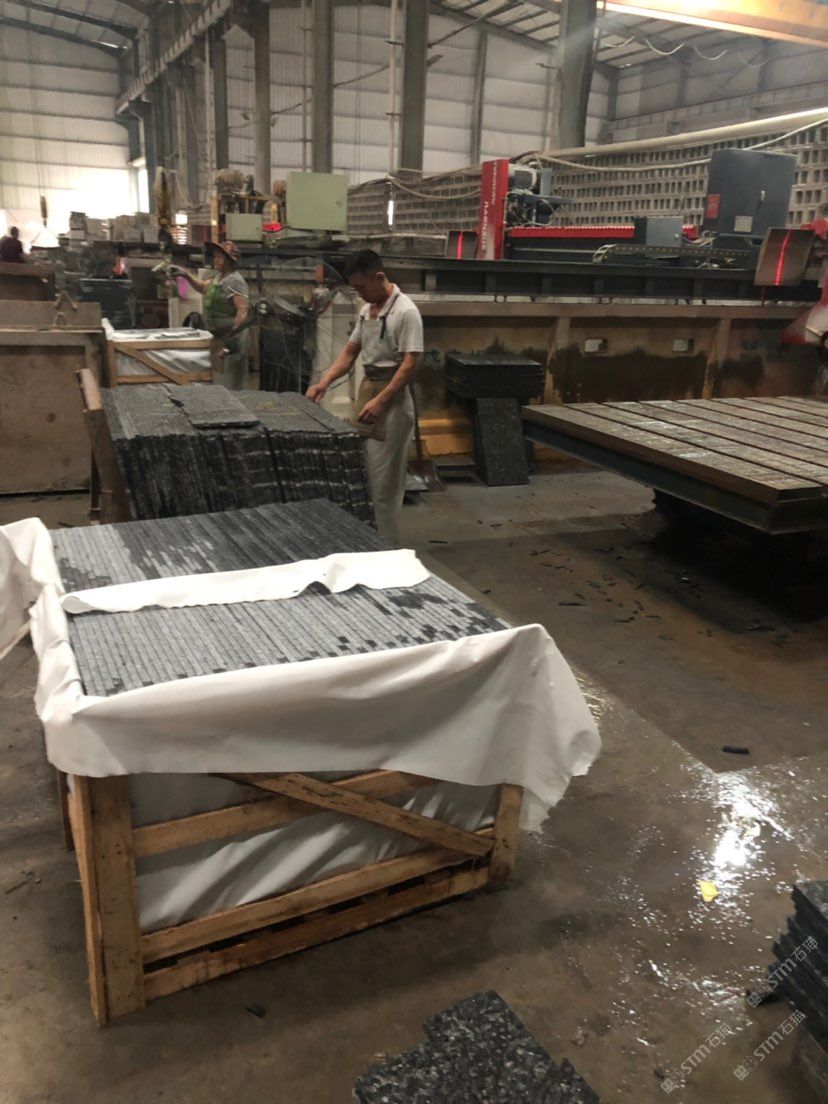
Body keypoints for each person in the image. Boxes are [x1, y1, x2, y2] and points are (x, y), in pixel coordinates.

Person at [307, 249, 423, 542]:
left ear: (379, 277)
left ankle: (385, 547)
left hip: (392, 403)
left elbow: (410, 363)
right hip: (368, 395)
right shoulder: (366, 310)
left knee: (384, 485)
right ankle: (367, 540)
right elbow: (350, 352)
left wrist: (381, 400)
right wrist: (323, 382)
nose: (359, 293)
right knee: (366, 476)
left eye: (361, 287)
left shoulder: (406, 312)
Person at [172, 240, 250, 389]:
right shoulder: (218, 278)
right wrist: (185, 275)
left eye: (219, 257)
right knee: (219, 382)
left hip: (231, 341)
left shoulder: (235, 281)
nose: (215, 260)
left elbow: (242, 311)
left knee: (232, 384)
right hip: (218, 339)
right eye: (215, 257)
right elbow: (203, 287)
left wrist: (233, 340)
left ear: (230, 261)